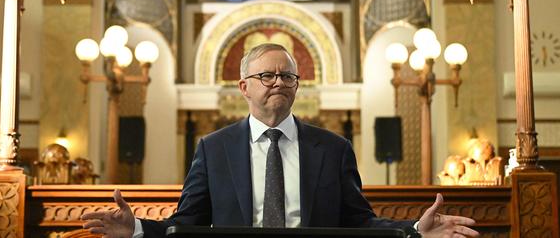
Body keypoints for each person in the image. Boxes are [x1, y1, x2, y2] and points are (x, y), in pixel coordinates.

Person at [82, 43, 479, 238]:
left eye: (287, 76)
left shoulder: (333, 148)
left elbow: (359, 222)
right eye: (266, 76)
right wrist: (135, 230)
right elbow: (185, 226)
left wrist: (413, 231)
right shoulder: (213, 148)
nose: (278, 83)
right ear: (243, 86)